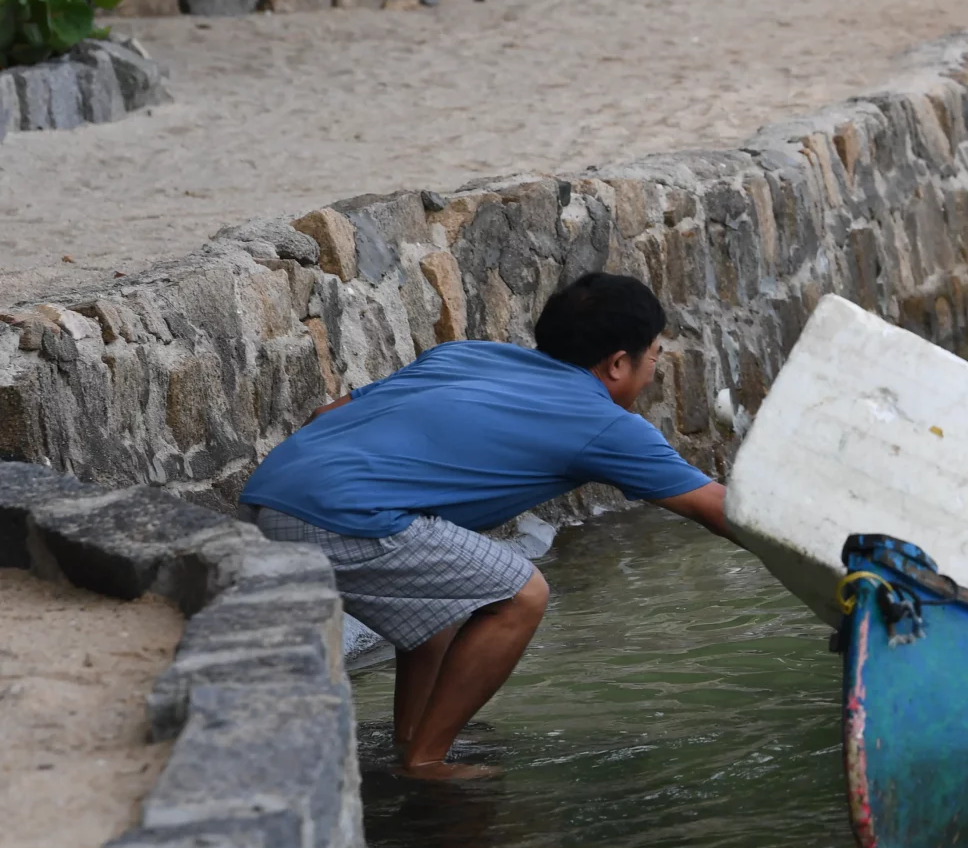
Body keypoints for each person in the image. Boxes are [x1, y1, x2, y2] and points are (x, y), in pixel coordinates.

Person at [239, 271, 728, 780]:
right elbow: (716, 508)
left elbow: (324, 414)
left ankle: (412, 736)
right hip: (339, 518)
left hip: (265, 498)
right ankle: (425, 762)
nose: (652, 371)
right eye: (652, 357)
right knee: (521, 592)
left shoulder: (466, 354)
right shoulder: (604, 423)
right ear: (619, 363)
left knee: (444, 600)